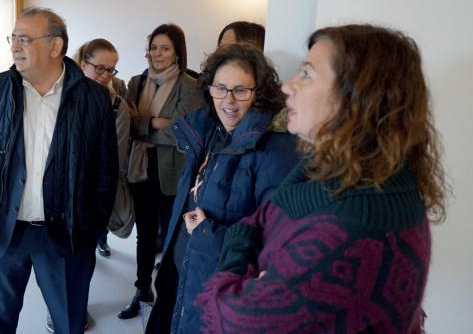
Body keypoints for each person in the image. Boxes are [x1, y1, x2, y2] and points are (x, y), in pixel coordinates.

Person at [197, 24, 449, 333]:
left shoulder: (355, 224)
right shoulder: (332, 171)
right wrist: (254, 262)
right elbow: (257, 221)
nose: (288, 86)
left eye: (306, 74)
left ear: (356, 96)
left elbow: (234, 318)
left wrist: (241, 263)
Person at [0, 7, 118, 334]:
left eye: (24, 39)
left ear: (55, 46)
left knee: (68, 324)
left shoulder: (93, 98)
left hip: (66, 236)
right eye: (13, 39)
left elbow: (105, 171)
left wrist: (89, 225)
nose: (15, 47)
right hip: (1, 233)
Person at [145, 43, 300, 333]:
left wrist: (207, 234)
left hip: (220, 296)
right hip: (183, 278)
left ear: (259, 92)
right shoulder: (208, 131)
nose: (228, 100)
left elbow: (278, 249)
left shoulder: (276, 151)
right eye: (220, 88)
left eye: (240, 90)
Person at [119, 23, 204, 320]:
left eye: (165, 48)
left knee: (170, 237)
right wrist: (159, 122)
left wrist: (145, 122)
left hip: (172, 172)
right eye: (153, 47)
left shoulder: (190, 85)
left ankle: (168, 298)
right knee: (144, 235)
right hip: (141, 168)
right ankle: (142, 289)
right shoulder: (136, 82)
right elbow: (128, 125)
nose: (157, 53)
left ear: (177, 53)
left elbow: (180, 131)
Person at [73, 38, 134, 255]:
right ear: (83, 64)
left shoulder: (118, 106)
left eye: (111, 70)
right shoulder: (62, 97)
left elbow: (115, 159)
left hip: (93, 191)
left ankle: (101, 239)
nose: (106, 75)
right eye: (100, 68)